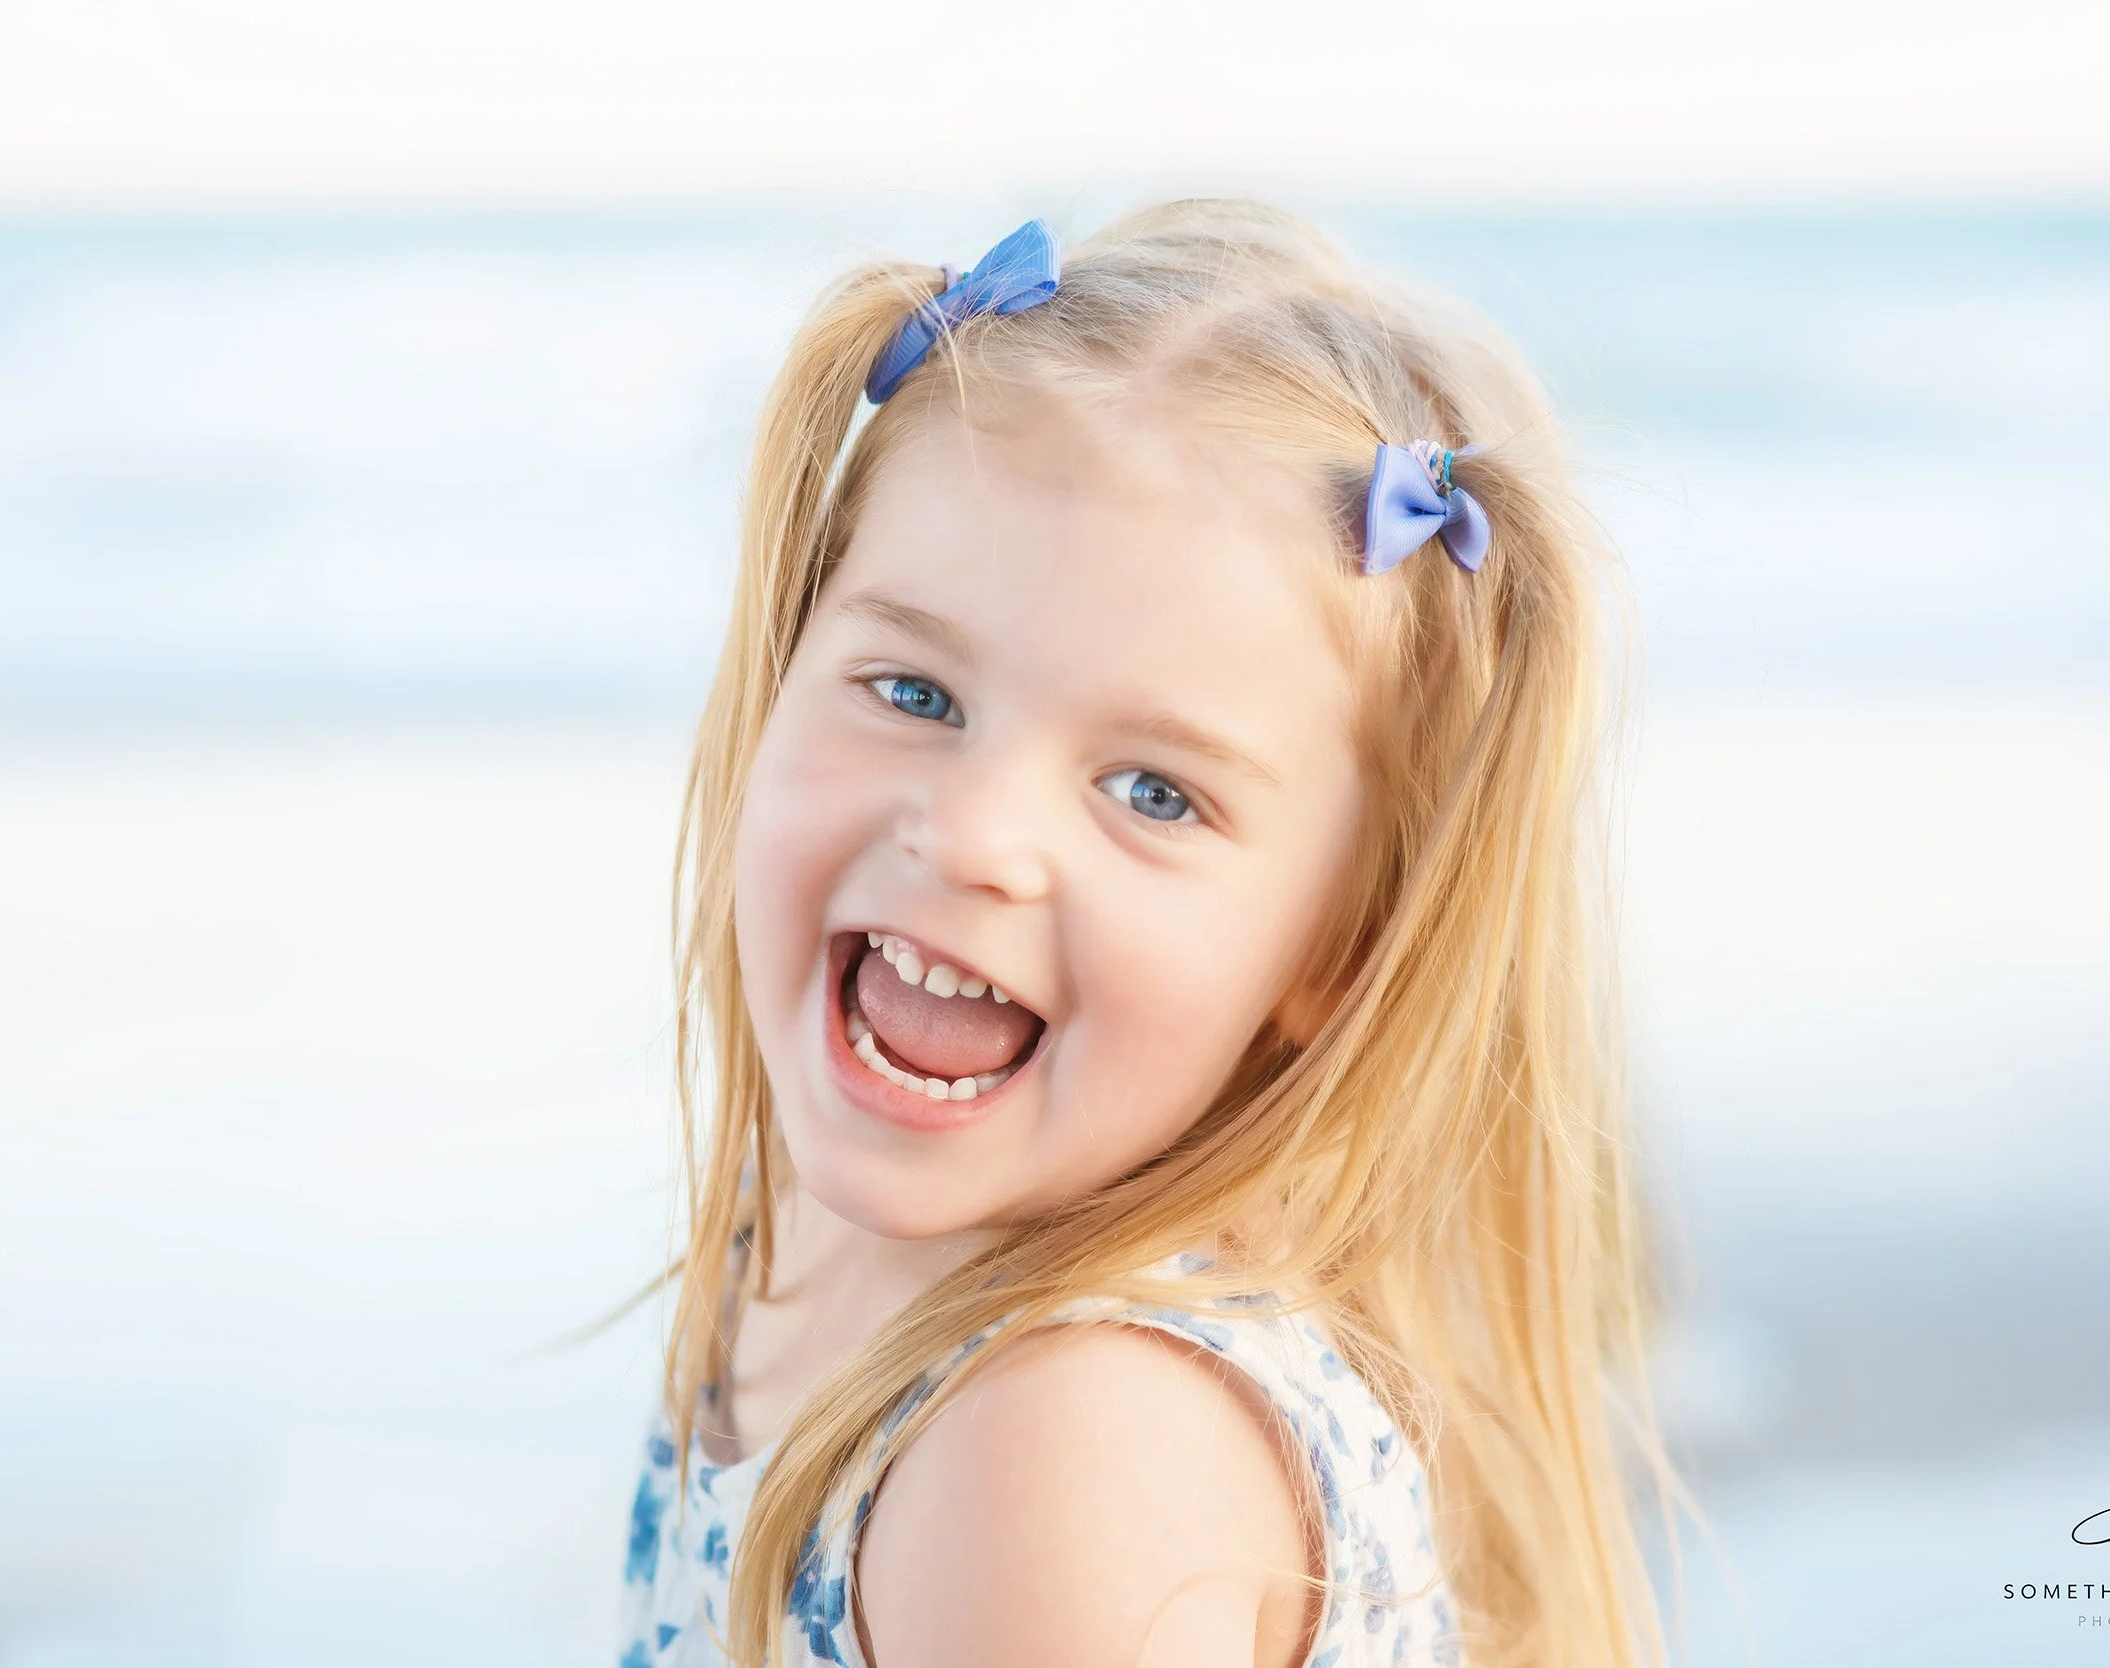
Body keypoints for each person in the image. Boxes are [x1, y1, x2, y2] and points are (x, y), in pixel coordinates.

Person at [617, 202, 1670, 1668]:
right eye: (913, 692)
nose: (977, 836)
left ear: (1339, 952)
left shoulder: (1061, 1455)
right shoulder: (807, 1215)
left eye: (1153, 792)